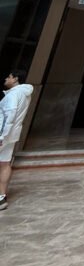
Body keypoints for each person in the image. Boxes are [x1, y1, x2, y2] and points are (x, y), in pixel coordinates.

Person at [0, 67, 34, 210]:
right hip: (13, 134)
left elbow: (9, 116)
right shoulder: (25, 94)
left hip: (4, 133)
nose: (6, 79)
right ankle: (1, 196)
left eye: (9, 77)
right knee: (5, 163)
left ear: (15, 78)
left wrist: (2, 135)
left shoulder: (14, 95)